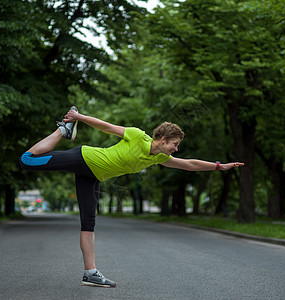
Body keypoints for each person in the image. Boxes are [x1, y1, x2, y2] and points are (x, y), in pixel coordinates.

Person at [19, 106, 244, 288]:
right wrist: (78, 117)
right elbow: (106, 127)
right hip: (85, 158)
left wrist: (217, 166)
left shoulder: (158, 159)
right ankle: (63, 131)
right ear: (163, 138)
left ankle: (90, 273)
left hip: (93, 177)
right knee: (26, 160)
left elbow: (188, 165)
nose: (176, 150)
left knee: (88, 223)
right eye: (175, 145)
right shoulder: (138, 136)